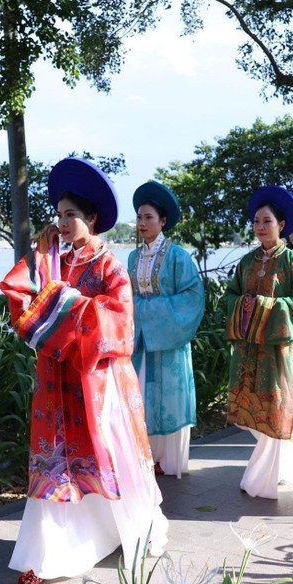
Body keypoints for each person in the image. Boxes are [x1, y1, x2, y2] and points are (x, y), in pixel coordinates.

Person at [0, 158, 168, 584]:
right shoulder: (51, 260)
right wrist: (44, 269)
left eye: (70, 215)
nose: (62, 223)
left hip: (98, 381)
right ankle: (48, 553)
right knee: (56, 458)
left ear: (91, 219)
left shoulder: (108, 265)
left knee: (105, 454)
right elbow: (19, 294)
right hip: (56, 380)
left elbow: (122, 323)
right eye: (58, 215)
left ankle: (113, 530)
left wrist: (66, 305)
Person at [224, 186, 293, 500]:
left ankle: (265, 477)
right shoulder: (246, 262)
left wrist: (263, 306)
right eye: (257, 221)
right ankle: (283, 468)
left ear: (282, 225)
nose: (260, 227)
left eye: (267, 221)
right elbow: (231, 297)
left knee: (278, 409)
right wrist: (245, 305)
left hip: (281, 350)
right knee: (256, 412)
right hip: (250, 350)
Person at [128, 181, 205, 479]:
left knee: (170, 399)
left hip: (169, 340)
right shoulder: (133, 258)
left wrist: (148, 311)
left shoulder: (178, 257)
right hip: (143, 343)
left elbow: (193, 297)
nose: (142, 223)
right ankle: (146, 456)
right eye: (139, 217)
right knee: (142, 395)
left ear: (162, 221)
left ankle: (169, 461)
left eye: (148, 217)